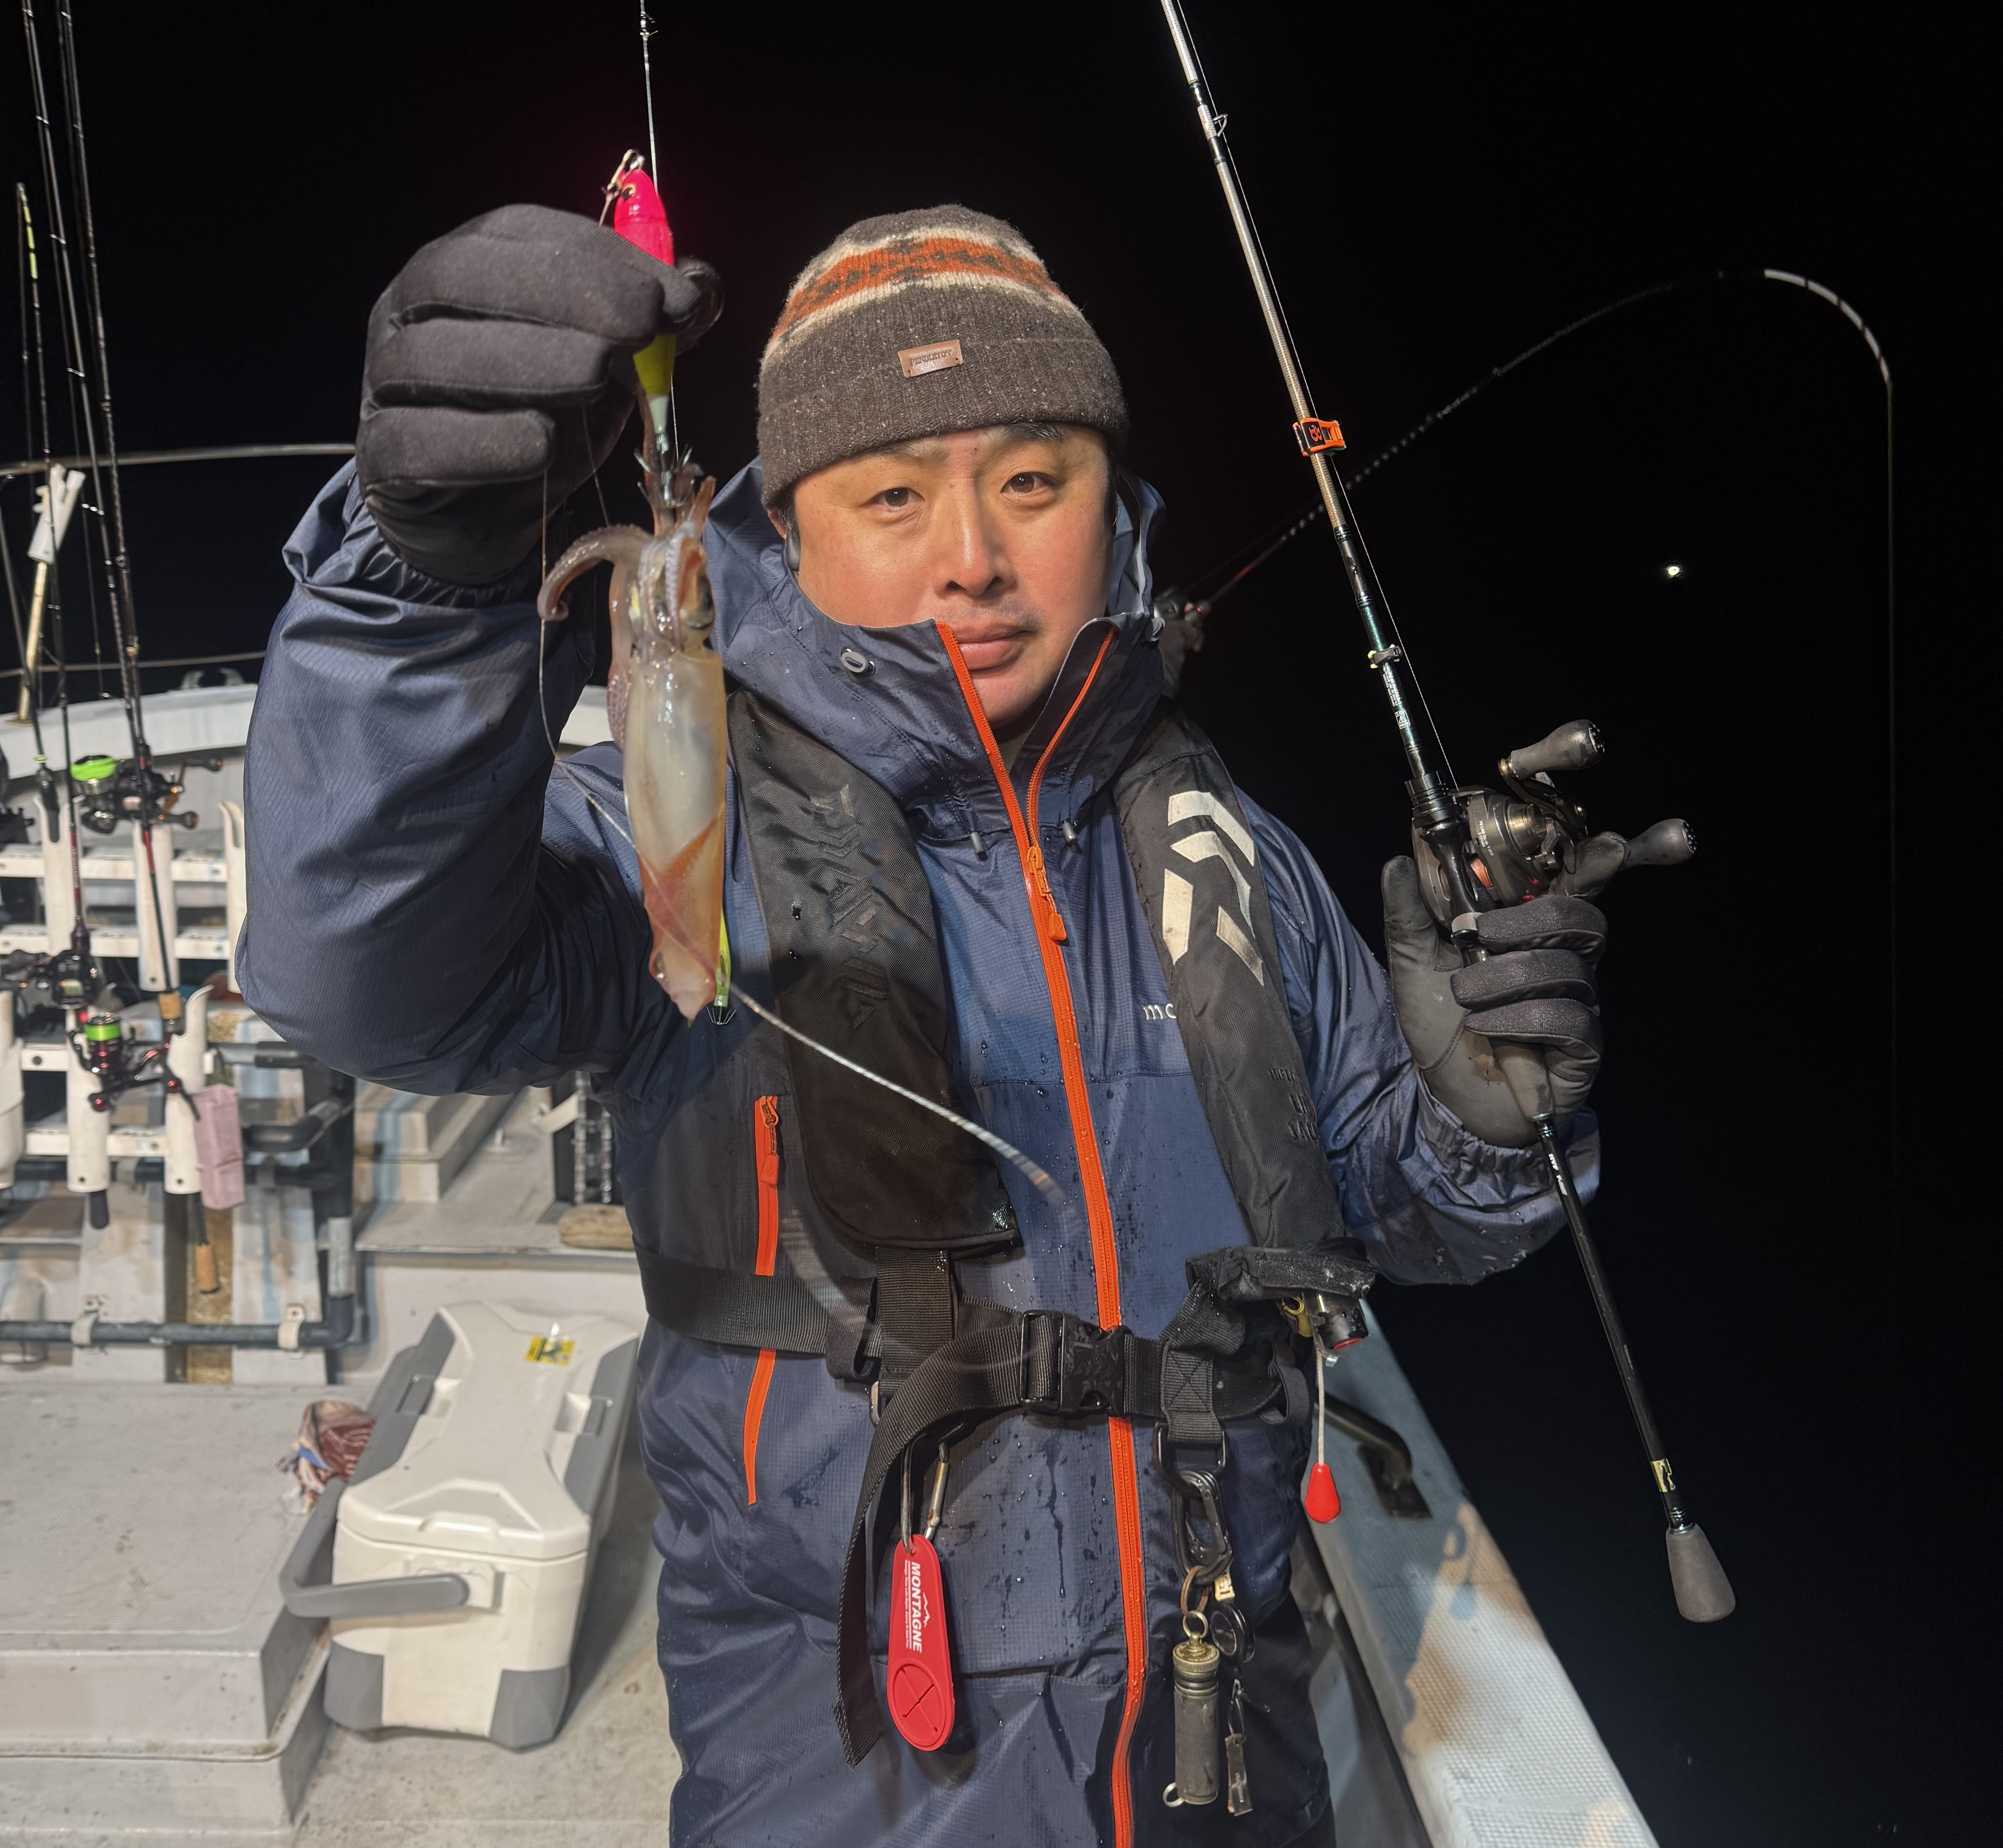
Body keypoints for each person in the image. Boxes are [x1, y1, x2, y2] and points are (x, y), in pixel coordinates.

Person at [242, 202, 1607, 1846]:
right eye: (892, 496)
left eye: (1032, 481)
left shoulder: (1228, 851)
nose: (972, 553)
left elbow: (1398, 1216)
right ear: (785, 532)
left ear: (1112, 503)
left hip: (1222, 1732)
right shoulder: (672, 830)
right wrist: (416, 588)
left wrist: (1484, 1114)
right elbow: (363, 974)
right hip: (851, 1761)